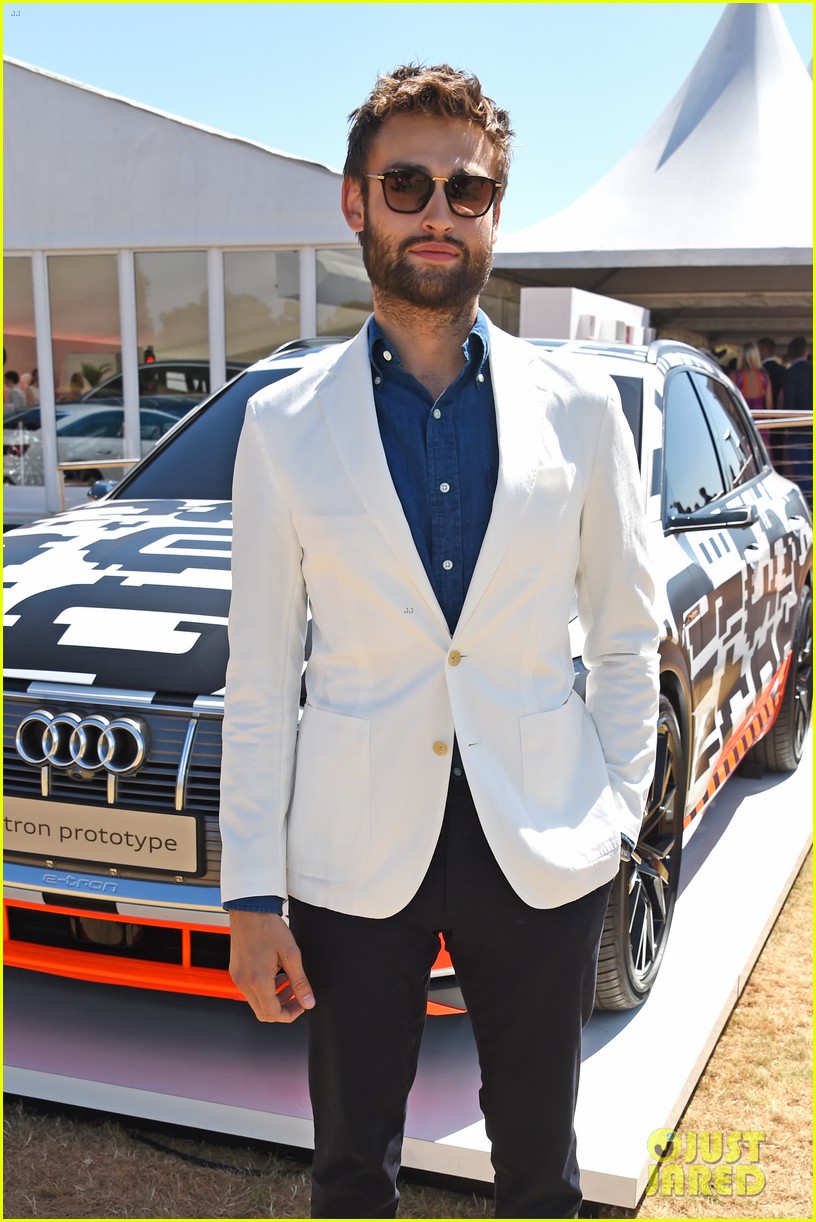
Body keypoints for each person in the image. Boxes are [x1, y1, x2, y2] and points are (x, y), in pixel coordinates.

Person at [220, 63, 660, 1220]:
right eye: (407, 183)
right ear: (356, 202)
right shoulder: (280, 422)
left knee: (540, 1168)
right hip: (352, 849)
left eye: (467, 191)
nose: (437, 213)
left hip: (542, 829)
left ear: (494, 213)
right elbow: (262, 671)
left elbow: (626, 633)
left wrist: (616, 808)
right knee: (352, 1167)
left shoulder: (580, 410)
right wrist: (251, 892)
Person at [778, 335, 813, 507]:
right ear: (806, 352)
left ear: (789, 354)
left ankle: (809, 506)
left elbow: (789, 403)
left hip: (796, 429)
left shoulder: (789, 374)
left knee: (801, 473)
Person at [757, 337, 785, 408]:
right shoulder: (783, 370)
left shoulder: (759, 372)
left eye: (757, 349)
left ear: (763, 350)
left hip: (762, 412)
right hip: (780, 413)